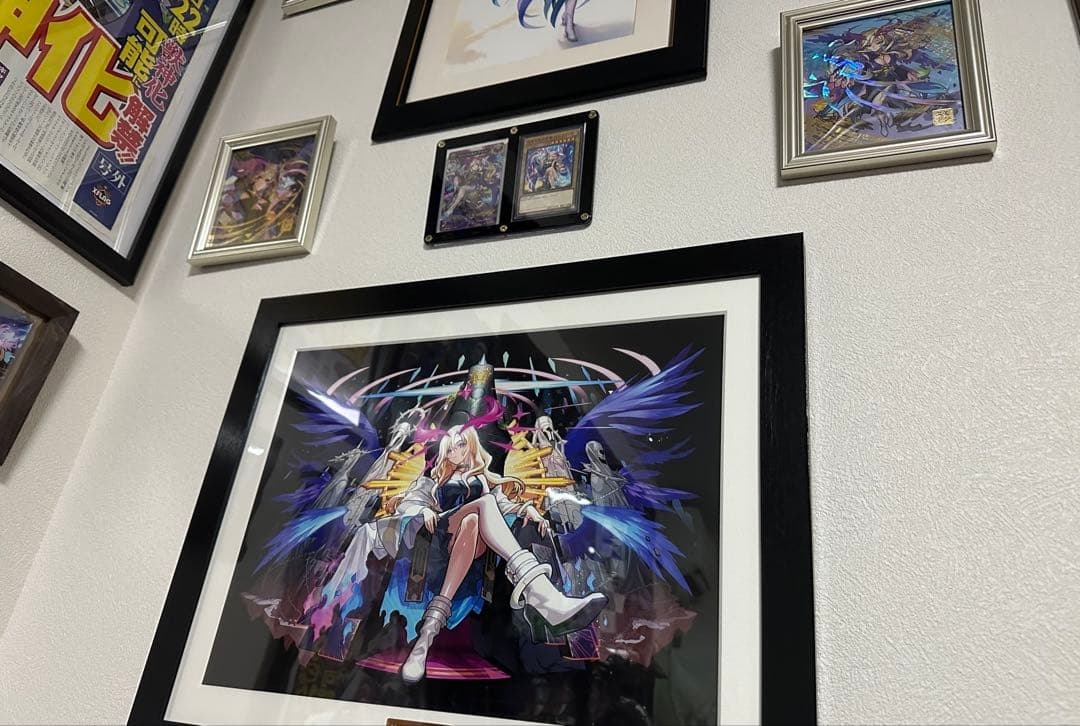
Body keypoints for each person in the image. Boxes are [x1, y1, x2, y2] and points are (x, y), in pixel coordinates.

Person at [386, 425, 607, 683]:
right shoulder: (433, 480)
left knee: (475, 518)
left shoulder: (485, 479)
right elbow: (407, 503)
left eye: (461, 444)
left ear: (471, 445)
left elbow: (503, 506)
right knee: (484, 504)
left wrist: (526, 509)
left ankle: (426, 636)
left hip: (470, 545)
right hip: (439, 539)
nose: (455, 451)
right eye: (450, 446)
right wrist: (423, 509)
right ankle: (544, 597)